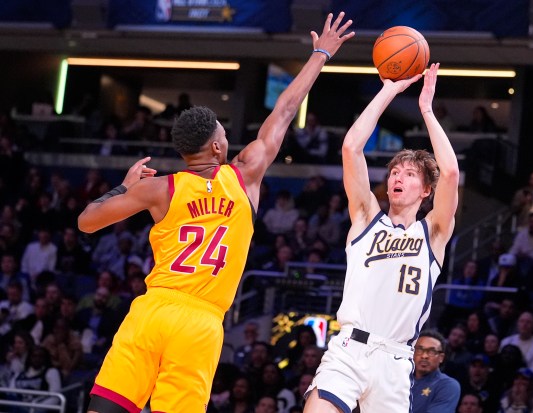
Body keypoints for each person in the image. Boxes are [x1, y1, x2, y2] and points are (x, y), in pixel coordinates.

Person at [77, 12, 355, 413]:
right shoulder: (244, 175)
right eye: (224, 134)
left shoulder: (160, 188)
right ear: (218, 149)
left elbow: (87, 222)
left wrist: (124, 184)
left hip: (154, 308)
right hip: (201, 322)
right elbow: (284, 111)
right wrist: (321, 54)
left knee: (107, 408)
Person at [304, 63, 460, 413]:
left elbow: (450, 172)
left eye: (408, 173)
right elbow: (350, 148)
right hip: (348, 349)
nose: (397, 177)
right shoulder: (365, 219)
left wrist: (426, 110)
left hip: (395, 359)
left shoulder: (433, 232)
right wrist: (390, 90)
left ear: (426, 191)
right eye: (393, 171)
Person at [411, 330, 461, 413]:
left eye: (431, 352)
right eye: (419, 350)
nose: (424, 356)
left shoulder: (447, 385)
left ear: (441, 357)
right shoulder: (401, 379)